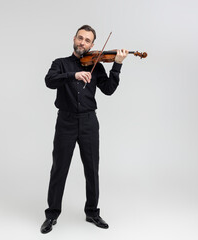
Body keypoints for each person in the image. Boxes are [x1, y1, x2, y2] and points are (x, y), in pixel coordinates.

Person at [41, 25, 128, 234]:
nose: (83, 43)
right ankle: (51, 215)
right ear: (74, 38)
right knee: (59, 168)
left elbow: (108, 90)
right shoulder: (60, 64)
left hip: (89, 122)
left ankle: (92, 212)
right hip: (66, 122)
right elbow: (49, 81)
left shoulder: (96, 65)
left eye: (87, 40)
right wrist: (74, 75)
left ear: (92, 45)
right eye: (80, 38)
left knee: (92, 168)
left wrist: (117, 66)